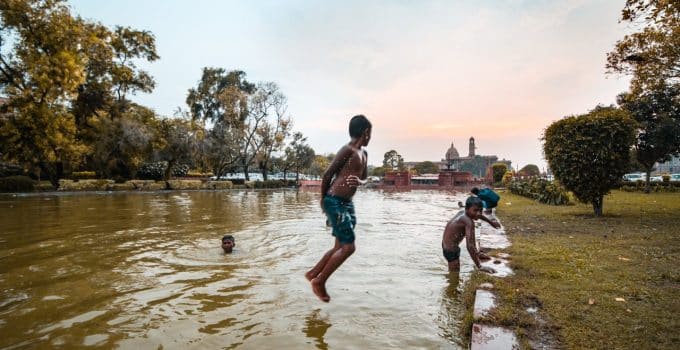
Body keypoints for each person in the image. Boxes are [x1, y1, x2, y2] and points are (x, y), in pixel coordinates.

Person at [305, 114, 372, 302]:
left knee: (339, 246)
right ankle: (319, 281)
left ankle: (313, 272)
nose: (370, 136)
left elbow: (364, 179)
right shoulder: (348, 150)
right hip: (334, 200)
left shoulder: (364, 154)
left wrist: (360, 181)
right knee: (349, 247)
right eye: (370, 133)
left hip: (347, 204)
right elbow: (328, 175)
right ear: (366, 132)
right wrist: (322, 200)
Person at [442, 196, 500, 274]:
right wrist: (480, 266)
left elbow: (480, 216)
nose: (478, 213)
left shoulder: (463, 212)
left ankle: (477, 254)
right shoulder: (468, 222)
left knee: (455, 269)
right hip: (450, 250)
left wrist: (491, 222)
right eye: (475, 210)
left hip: (446, 244)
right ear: (467, 209)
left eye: (481, 210)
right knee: (454, 273)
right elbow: (470, 245)